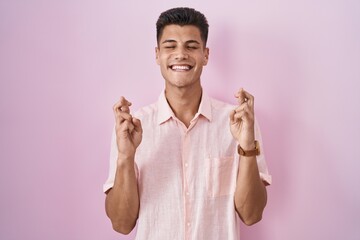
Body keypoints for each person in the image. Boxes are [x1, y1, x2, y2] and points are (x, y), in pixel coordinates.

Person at [103, 7, 271, 240]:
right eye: (170, 46)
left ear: (205, 55)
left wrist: (246, 148)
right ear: (157, 55)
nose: (180, 54)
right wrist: (125, 157)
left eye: (191, 46)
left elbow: (251, 215)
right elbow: (121, 224)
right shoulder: (131, 129)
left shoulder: (238, 123)